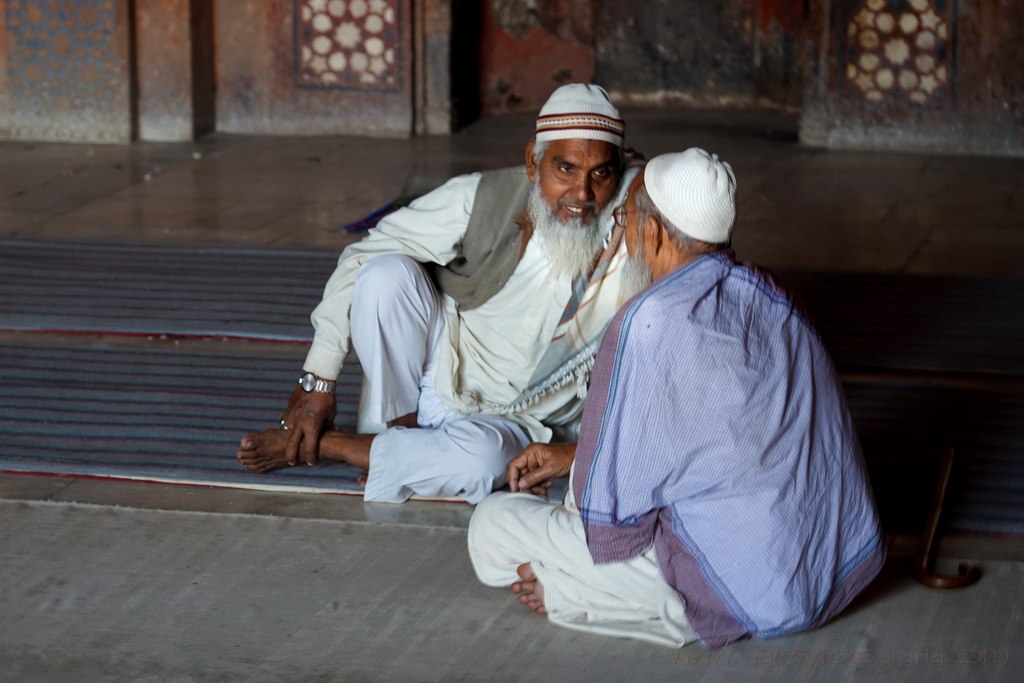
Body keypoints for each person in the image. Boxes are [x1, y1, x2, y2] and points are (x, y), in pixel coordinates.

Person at [467, 148, 886, 648]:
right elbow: (714, 442)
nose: (626, 235)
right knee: (586, 489)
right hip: (825, 568)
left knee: (492, 526)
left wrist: (580, 485)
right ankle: (617, 593)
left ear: (655, 232)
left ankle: (636, 599)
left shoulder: (648, 322)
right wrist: (571, 458)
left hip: (741, 581)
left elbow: (616, 519)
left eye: (627, 219)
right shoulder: (773, 293)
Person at [236, 84, 645, 504]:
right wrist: (317, 383)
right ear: (532, 161)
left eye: (601, 173)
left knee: (483, 463)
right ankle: (402, 435)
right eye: (565, 169)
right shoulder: (482, 198)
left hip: (524, 421)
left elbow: (696, 187)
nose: (582, 194)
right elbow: (361, 255)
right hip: (444, 369)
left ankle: (336, 447)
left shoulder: (634, 214)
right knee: (382, 277)